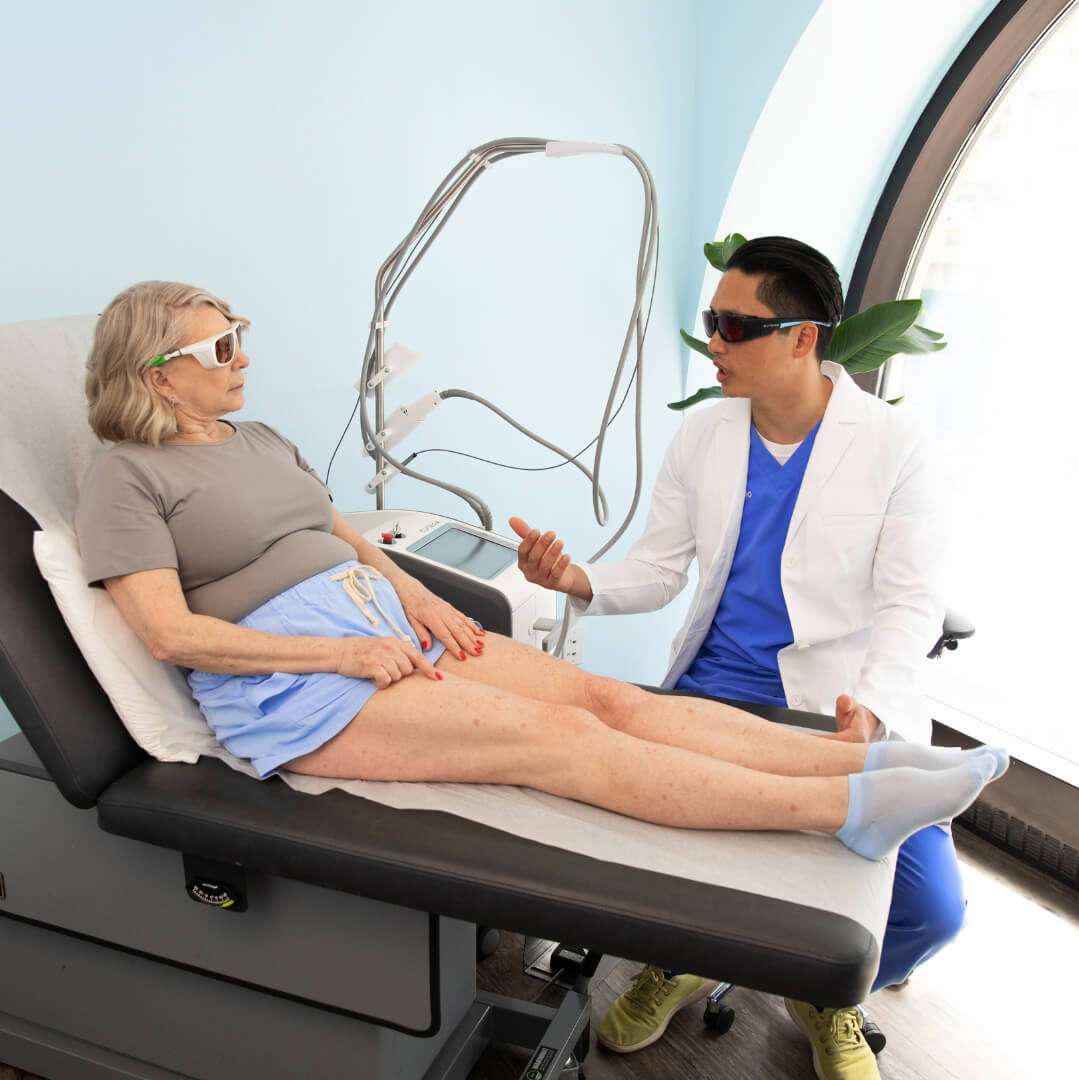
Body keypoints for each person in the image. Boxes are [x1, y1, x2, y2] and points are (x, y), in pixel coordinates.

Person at [73, 279, 1002, 935]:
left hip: (381, 624)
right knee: (568, 741)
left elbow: (342, 531)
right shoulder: (125, 478)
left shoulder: (256, 437)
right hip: (302, 683)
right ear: (158, 375)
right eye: (220, 347)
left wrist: (413, 594)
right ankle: (843, 808)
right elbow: (169, 633)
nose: (243, 356)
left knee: (610, 699)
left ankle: (865, 758)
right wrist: (340, 654)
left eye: (239, 333)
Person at [510, 236, 983, 1079]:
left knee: (931, 911)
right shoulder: (705, 435)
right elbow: (659, 570)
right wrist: (576, 578)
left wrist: (872, 706)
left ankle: (826, 995)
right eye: (711, 321)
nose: (713, 344)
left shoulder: (894, 443)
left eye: (734, 326)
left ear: (803, 338)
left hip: (840, 705)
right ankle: (682, 962)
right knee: (657, 858)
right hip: (715, 693)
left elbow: (911, 600)